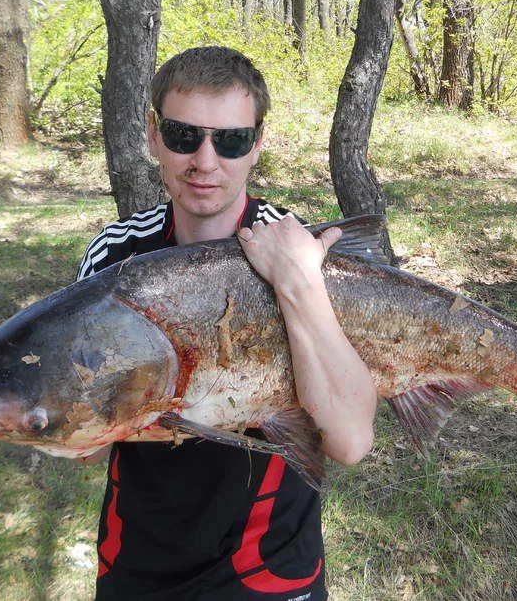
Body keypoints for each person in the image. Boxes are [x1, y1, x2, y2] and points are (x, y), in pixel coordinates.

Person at [75, 46, 378, 600]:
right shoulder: (115, 257)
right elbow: (86, 445)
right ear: (153, 135)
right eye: (183, 136)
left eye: (231, 140)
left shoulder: (302, 253)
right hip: (140, 561)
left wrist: (298, 285)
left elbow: (351, 440)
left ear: (257, 143)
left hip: (270, 567)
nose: (205, 161)